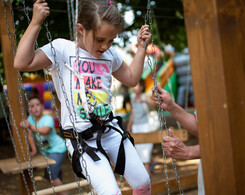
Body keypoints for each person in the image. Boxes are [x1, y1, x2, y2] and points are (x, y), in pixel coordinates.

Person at [14, 0, 152, 194]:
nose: (105, 46)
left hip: (109, 129)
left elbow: (131, 79)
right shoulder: (62, 50)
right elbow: (21, 62)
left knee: (143, 182)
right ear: (81, 29)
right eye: (100, 39)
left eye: (111, 40)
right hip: (81, 139)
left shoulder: (110, 54)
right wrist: (36, 22)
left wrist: (142, 48)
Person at [152, 84, 204, 195]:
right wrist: (171, 106)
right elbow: (201, 127)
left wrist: (188, 152)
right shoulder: (208, 84)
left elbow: (230, 139)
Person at [20, 96, 67, 195]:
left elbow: (44, 131)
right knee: (52, 176)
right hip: (47, 152)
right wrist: (34, 150)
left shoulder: (47, 118)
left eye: (37, 105)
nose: (35, 107)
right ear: (29, 110)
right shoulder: (30, 119)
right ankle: (61, 191)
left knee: (52, 176)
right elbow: (30, 136)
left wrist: (30, 126)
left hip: (58, 149)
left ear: (42, 107)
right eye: (32, 106)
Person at [127, 79, 155, 176]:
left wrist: (147, 101)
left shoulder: (145, 96)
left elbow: (153, 106)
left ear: (141, 87)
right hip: (136, 125)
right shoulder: (132, 99)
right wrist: (129, 126)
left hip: (145, 124)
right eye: (133, 86)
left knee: (146, 145)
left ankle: (147, 168)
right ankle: (150, 163)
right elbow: (133, 114)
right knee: (138, 147)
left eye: (136, 86)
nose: (134, 88)